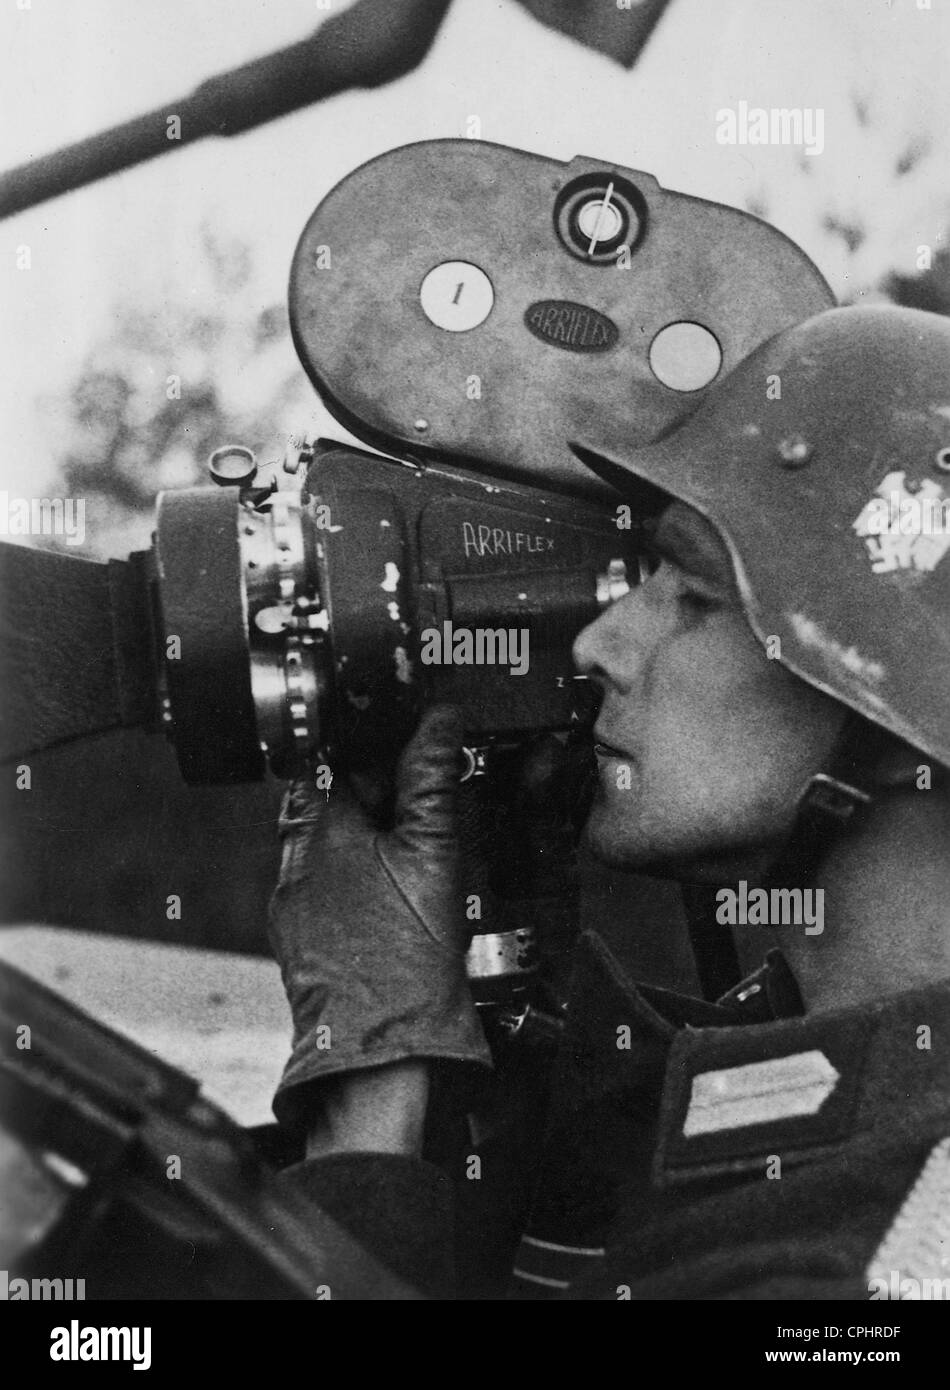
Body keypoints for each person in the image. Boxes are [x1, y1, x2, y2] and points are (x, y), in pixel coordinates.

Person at [267, 304, 950, 1300]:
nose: (599, 646)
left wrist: (365, 1118)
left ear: (893, 724)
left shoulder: (874, 1264)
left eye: (698, 597)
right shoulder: (823, 1107)